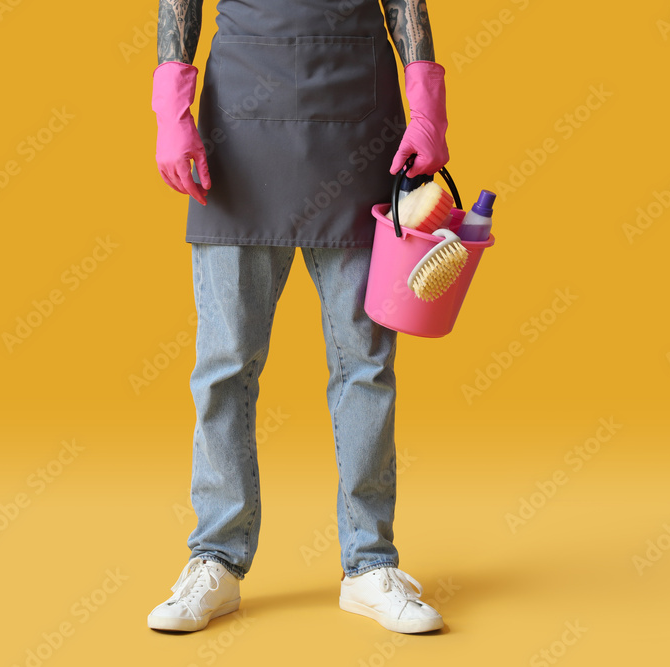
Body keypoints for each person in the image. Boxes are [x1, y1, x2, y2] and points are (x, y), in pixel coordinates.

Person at [147, 0, 450, 634]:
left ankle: (370, 564)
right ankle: (216, 560)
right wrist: (170, 102)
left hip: (357, 128)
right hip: (240, 135)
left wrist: (426, 100)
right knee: (225, 366)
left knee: (366, 365)